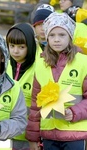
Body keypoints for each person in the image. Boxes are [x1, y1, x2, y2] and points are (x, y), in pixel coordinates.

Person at [26, 12, 87, 150]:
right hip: (48, 135)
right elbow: (35, 104)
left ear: (70, 37)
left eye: (62, 35)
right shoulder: (41, 64)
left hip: (75, 134)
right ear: (46, 37)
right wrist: (33, 138)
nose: (56, 39)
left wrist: (74, 112)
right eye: (52, 35)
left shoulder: (84, 62)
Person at [6, 23, 37, 150]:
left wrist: (34, 137)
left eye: (21, 47)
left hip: (26, 136)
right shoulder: (3, 65)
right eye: (12, 46)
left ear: (30, 46)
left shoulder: (39, 68)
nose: (15, 51)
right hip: (3, 133)